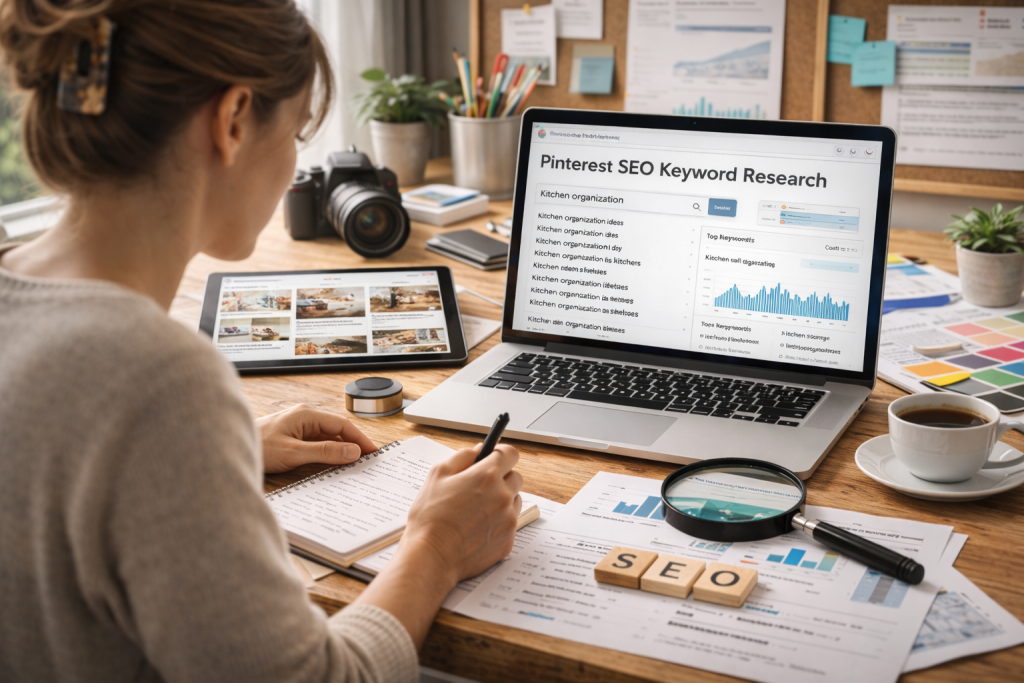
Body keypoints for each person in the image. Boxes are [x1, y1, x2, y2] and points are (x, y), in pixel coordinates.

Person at [0, 1, 523, 682]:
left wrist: (226, 449)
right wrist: (439, 543)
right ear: (234, 120)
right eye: (299, 131)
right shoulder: (158, 378)